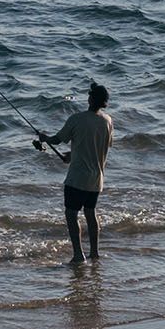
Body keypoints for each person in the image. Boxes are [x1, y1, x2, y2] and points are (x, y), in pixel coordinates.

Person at [39, 82, 114, 264]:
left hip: (77, 179)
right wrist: (73, 155)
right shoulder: (108, 122)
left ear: (91, 99)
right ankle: (94, 253)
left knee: (71, 214)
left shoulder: (77, 119)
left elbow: (57, 140)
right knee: (90, 213)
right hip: (97, 180)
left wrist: (44, 138)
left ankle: (78, 254)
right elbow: (98, 146)